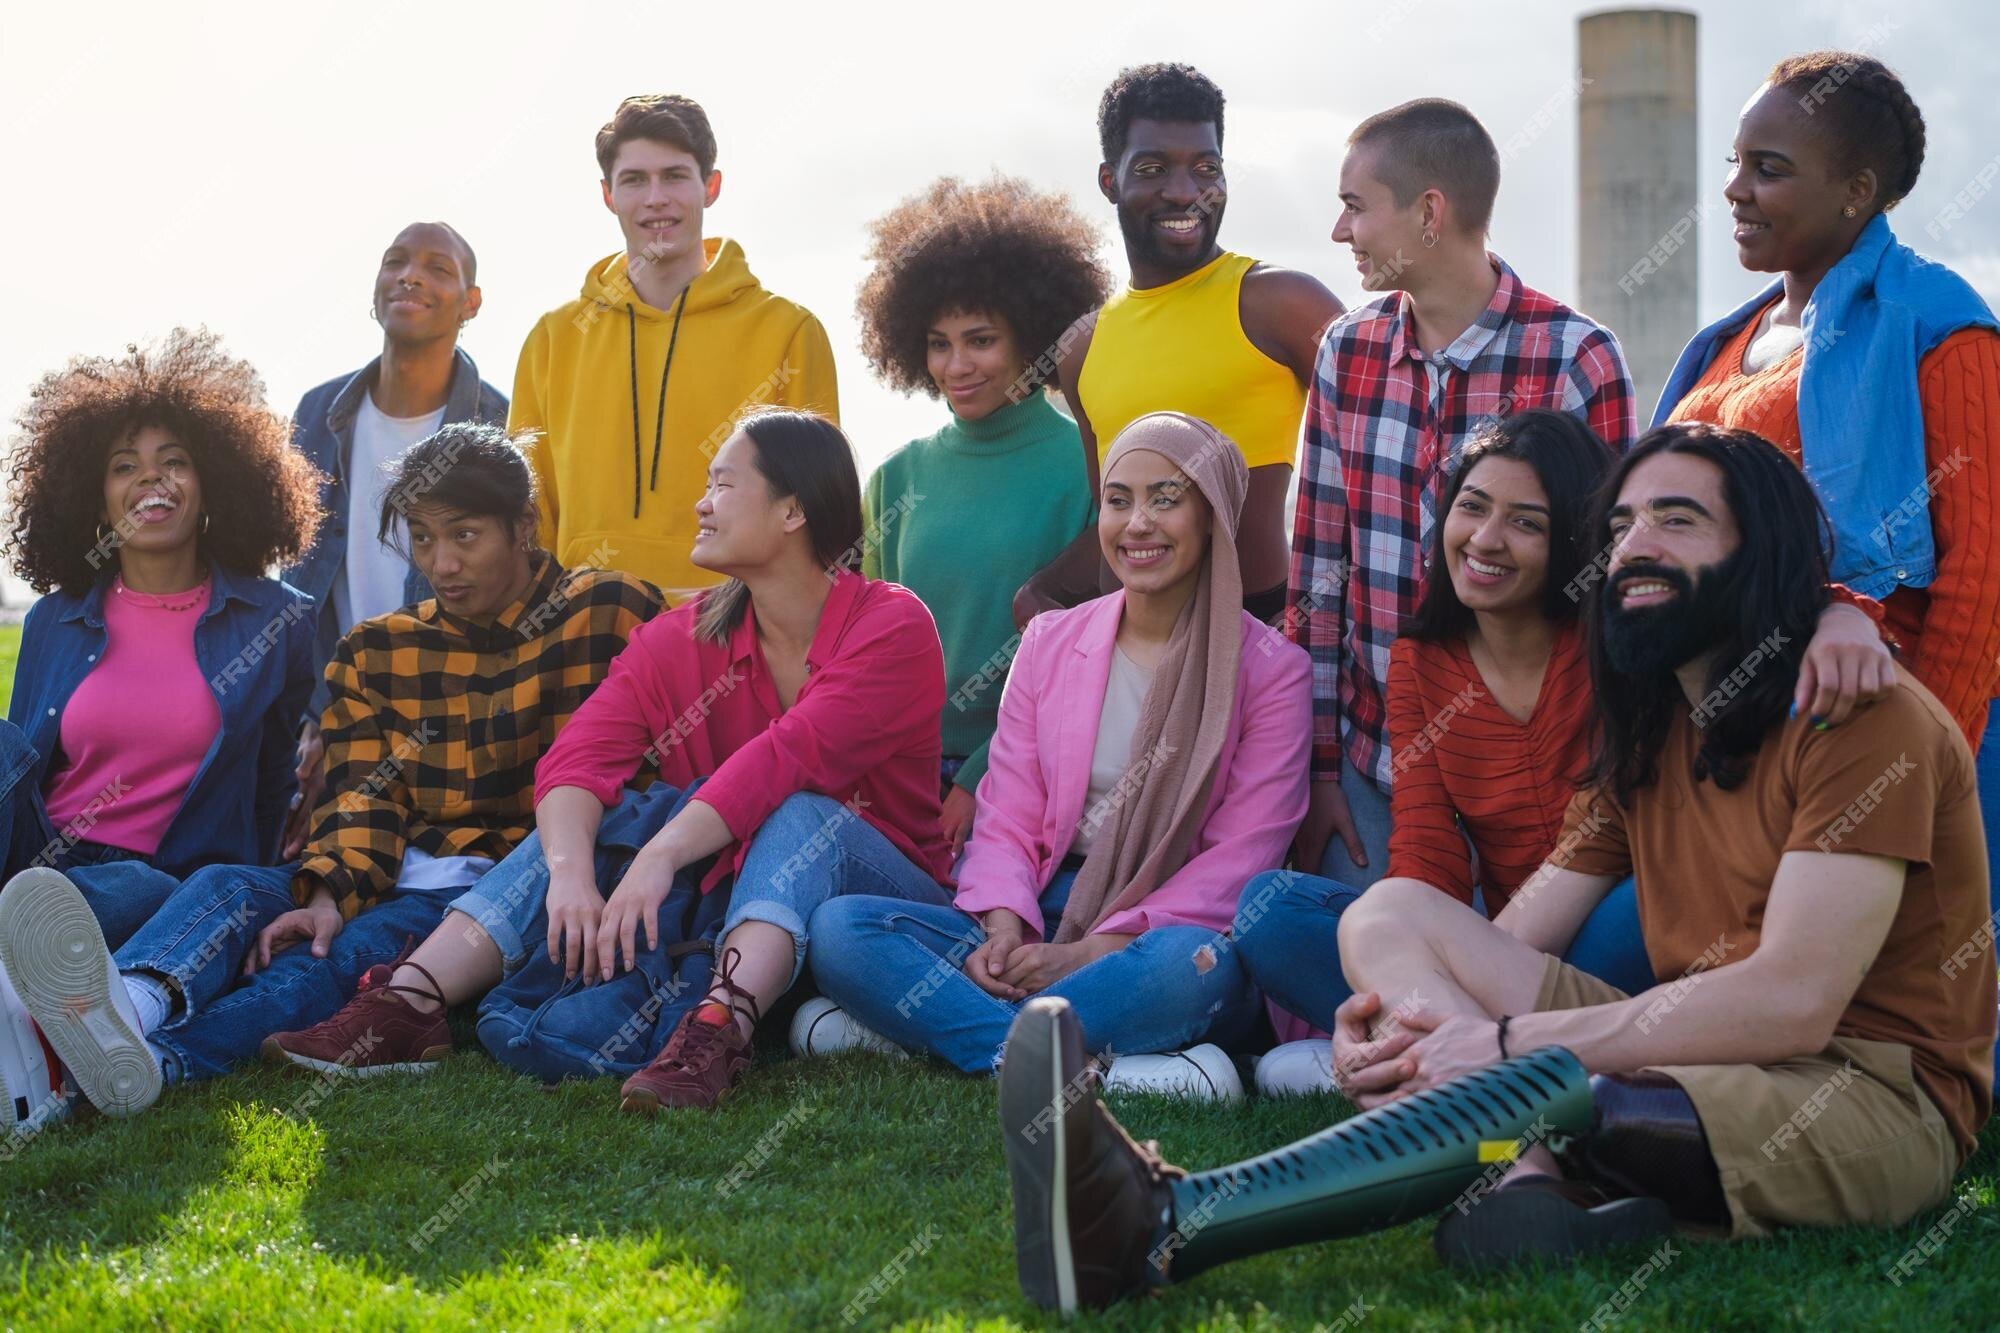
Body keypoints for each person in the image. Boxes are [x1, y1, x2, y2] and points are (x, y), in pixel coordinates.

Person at [995, 424, 1992, 1312]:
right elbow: (1499, 940)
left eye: (1676, 520)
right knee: (1387, 913)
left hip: (1859, 1089)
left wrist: (1504, 1042)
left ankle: (1169, 1220)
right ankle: (1524, 1193)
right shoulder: (1650, 724)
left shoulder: (1861, 719)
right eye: (1622, 524)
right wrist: (1402, 1027)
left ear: (1756, 552)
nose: (1634, 543)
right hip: (1688, 1045)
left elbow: (1794, 1003)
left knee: (1563, 1094)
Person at [256, 411, 954, 1116]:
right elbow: (576, 759)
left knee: (800, 813)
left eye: (723, 485)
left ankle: (719, 1031)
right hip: (734, 908)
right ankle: (407, 1003)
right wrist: (570, 875)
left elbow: (788, 758)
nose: (701, 504)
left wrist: (656, 858)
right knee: (607, 815)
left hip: (872, 907)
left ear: (793, 509)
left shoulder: (892, 623)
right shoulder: (678, 638)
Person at [1290, 96, 1891, 889]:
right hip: (1375, 764)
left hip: (1554, 771)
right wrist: (1321, 772)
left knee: (1526, 968)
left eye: (1354, 208)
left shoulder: (1578, 357)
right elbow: (1316, 570)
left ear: (1429, 212)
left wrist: (1840, 607)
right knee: (1334, 934)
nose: (1341, 232)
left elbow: (1619, 576)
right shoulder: (1348, 349)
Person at [0, 425, 662, 1117]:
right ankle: (129, 1008)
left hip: (526, 890)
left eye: (464, 536)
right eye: (424, 538)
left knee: (321, 968)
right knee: (228, 886)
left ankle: (157, 1061)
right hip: (395, 877)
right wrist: (327, 895)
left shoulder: (610, 611)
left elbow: (654, 766)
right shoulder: (377, 651)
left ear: (522, 524)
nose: (443, 562)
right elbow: (361, 802)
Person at [808, 413, 1309, 1096]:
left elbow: (1238, 861)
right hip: (1043, 902)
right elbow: (1008, 810)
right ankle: (1060, 1057)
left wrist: (1085, 954)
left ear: (1213, 514)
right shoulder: (1049, 641)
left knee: (1188, 970)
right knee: (843, 928)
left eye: (1166, 499)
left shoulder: (1272, 669)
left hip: (1161, 929)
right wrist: (1006, 929)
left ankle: (943, 1030)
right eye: (1118, 498)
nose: (1137, 523)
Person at [1656, 50, 2000, 935]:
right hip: (1744, 737)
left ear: (1857, 191)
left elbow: (1982, 575)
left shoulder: (1936, 323)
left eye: (1768, 170)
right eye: (1733, 161)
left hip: (1891, 721)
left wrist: (1925, 776)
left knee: (1912, 1028)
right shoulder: (1718, 345)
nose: (1734, 188)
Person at [1237, 410, 1653, 1093]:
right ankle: (1463, 1046)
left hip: (1603, 934)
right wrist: (1420, 950)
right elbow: (1426, 851)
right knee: (1271, 911)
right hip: (1486, 942)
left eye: (1526, 522)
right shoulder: (1422, 662)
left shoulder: (1614, 642)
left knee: (1643, 898)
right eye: (1472, 508)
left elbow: (1606, 841)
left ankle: (1418, 1045)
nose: (1486, 540)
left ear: (1574, 540)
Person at [0, 328, 319, 948]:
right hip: (41, 862)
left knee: (141, 891)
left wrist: (248, 895)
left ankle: (27, 943)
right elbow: (19, 770)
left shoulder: (277, 621)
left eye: (174, 461)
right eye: (126, 467)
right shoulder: (53, 618)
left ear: (210, 486)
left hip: (163, 881)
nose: (153, 479)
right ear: (96, 503)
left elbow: (272, 782)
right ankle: (24, 934)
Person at [1015, 63, 1344, 627]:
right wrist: (1039, 593)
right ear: (1109, 181)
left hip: (1259, 638)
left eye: (1205, 168)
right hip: (1132, 649)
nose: (1185, 192)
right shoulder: (1082, 347)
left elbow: (1388, 465)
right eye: (1152, 168)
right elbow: (1116, 523)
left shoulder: (1280, 302)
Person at [853, 175, 1109, 859]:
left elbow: (1086, 654)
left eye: (981, 340)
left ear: (1030, 336)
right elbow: (871, 653)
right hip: (894, 776)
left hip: (1028, 777)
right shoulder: (894, 477)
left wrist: (981, 772)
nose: (957, 366)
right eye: (939, 344)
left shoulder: (1087, 467)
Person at [511, 94, 839, 603]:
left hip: (734, 631)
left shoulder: (789, 331)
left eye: (675, 176)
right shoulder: (553, 339)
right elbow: (530, 513)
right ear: (608, 195)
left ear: (711, 187)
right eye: (635, 180)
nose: (655, 197)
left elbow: (816, 512)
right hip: (580, 631)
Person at [283, 220, 509, 856]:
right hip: (326, 709)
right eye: (396, 261)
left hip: (446, 717)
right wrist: (325, 716)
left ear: (472, 303)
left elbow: (502, 603)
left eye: (439, 268)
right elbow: (298, 588)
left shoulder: (499, 426)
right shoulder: (319, 415)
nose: (411, 275)